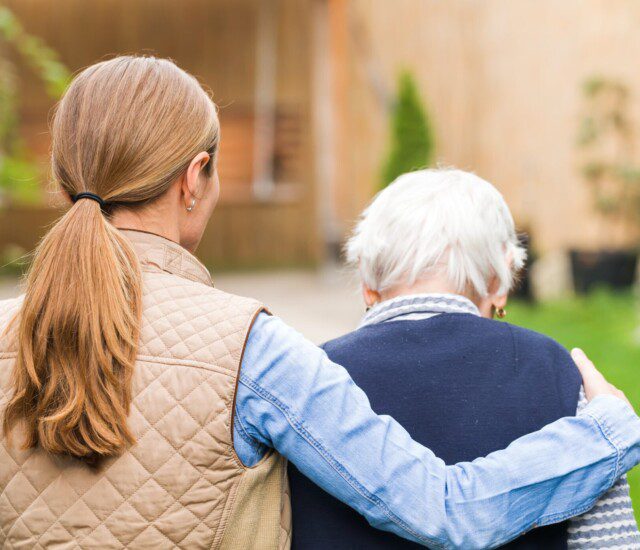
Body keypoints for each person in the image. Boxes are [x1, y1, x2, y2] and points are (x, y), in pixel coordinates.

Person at [0, 57, 639, 550]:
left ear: (64, 181)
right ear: (195, 179)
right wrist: (605, 432)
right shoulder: (249, 348)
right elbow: (443, 510)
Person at [289, 168, 640, 549]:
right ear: (499, 282)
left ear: (367, 284)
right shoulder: (558, 371)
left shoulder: (310, 378)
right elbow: (608, 540)